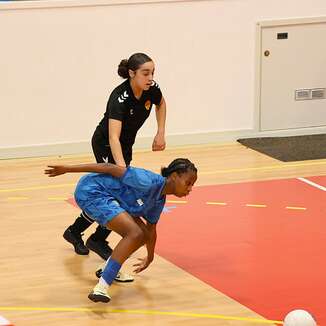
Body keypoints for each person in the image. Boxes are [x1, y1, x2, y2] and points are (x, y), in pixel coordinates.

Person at [45, 158, 197, 303]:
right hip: (92, 191)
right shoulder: (147, 181)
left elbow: (150, 231)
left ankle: (105, 269)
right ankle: (101, 288)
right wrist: (67, 169)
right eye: (188, 183)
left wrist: (150, 257)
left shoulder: (158, 201)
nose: (190, 189)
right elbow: (109, 168)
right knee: (135, 233)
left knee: (142, 234)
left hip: (112, 199)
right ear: (174, 176)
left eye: (193, 185)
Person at [63, 53, 167, 261]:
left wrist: (160, 132)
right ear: (131, 73)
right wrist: (120, 168)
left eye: (152, 73)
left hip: (124, 145)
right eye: (145, 73)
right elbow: (113, 136)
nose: (150, 77)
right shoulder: (119, 97)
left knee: (117, 191)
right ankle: (97, 239)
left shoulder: (151, 89)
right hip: (105, 144)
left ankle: (75, 232)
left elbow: (161, 104)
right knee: (118, 192)